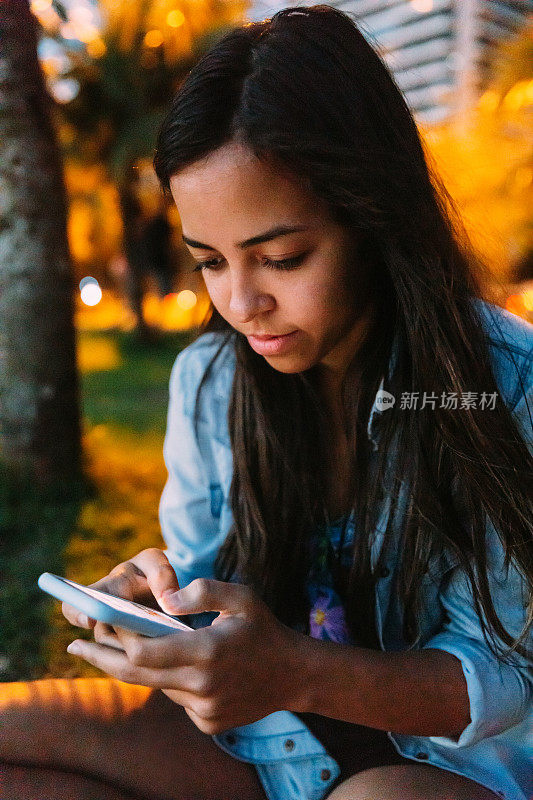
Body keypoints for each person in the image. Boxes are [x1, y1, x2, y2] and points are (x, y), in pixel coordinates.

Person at [1, 6, 532, 800]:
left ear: (371, 218)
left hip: (436, 767)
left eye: (281, 258)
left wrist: (294, 669)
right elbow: (211, 585)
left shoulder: (500, 384)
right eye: (209, 261)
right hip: (263, 744)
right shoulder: (212, 380)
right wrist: (165, 607)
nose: (241, 303)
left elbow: (505, 677)